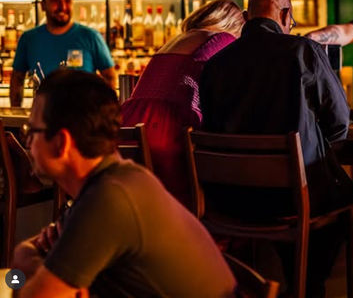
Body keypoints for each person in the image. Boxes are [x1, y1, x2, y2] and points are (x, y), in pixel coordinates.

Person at [13, 69, 237, 298]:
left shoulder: (109, 199)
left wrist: (22, 265)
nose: (28, 142)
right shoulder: (116, 181)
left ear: (62, 143)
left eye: (32, 131)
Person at [199, 0, 353, 297]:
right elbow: (339, 123)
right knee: (343, 204)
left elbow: (211, 129)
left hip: (230, 203)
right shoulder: (301, 51)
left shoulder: (214, 65)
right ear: (285, 15)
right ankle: (305, 287)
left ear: (245, 18)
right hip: (292, 201)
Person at [121, 0, 244, 207]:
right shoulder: (222, 39)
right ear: (234, 25)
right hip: (167, 126)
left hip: (130, 123)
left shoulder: (176, 39)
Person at [11, 0, 115, 107]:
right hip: (43, 116)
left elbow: (110, 77)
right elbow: (17, 79)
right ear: (42, 5)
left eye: (67, 1)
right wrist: (15, 112)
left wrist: (105, 113)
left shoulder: (90, 36)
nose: (62, 7)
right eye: (55, 1)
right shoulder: (28, 39)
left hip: (83, 117)